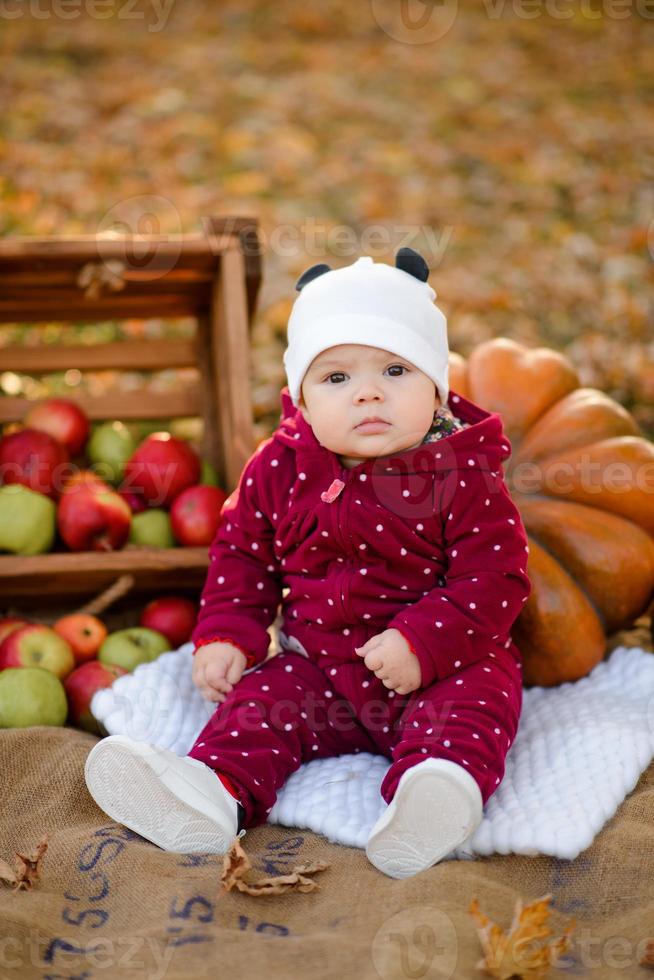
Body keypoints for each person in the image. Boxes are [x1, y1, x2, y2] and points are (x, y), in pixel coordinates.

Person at [84, 247, 531, 879]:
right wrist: (227, 634)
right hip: (320, 669)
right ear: (300, 397)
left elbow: (496, 578)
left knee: (476, 704)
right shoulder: (278, 467)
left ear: (437, 389)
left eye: (397, 370)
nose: (369, 393)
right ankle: (210, 794)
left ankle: (434, 792)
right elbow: (242, 554)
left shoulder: (462, 474)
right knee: (258, 705)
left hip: (440, 666)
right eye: (337, 378)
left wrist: (422, 641)